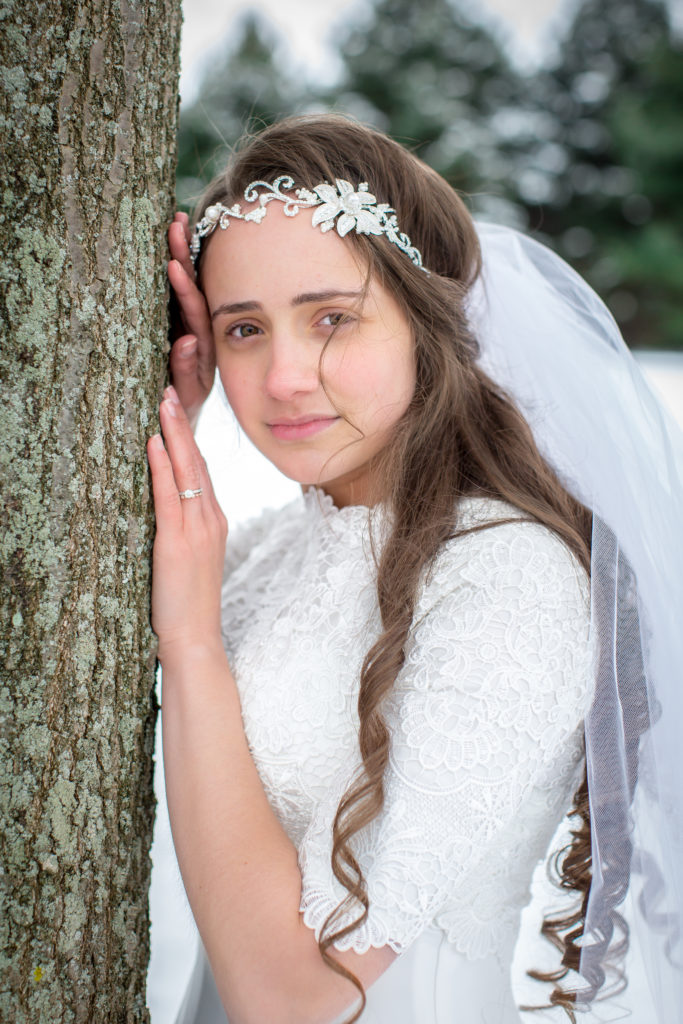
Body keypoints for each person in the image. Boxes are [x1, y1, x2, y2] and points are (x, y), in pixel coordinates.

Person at [147, 115, 683, 1024]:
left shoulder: (510, 578)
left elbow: (295, 1000)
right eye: (244, 329)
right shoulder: (274, 547)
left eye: (330, 319)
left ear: (427, 321)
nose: (282, 376)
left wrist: (192, 642)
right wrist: (167, 418)